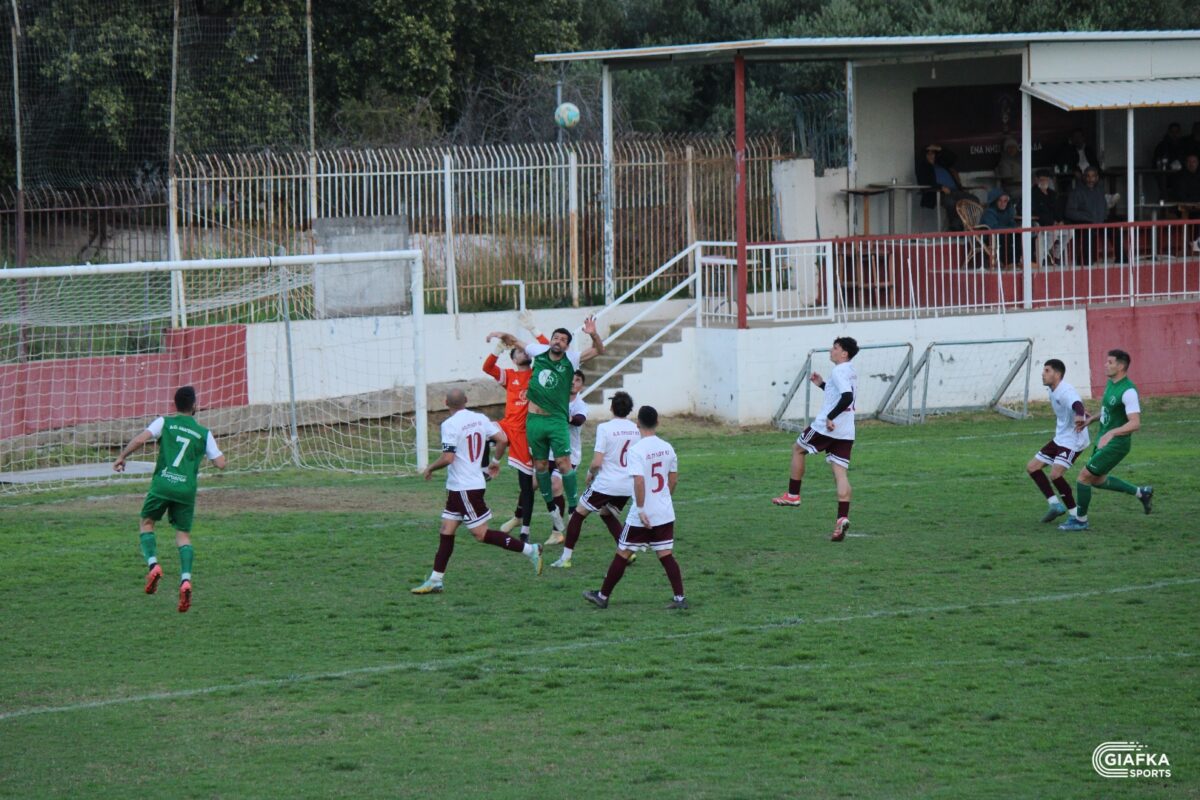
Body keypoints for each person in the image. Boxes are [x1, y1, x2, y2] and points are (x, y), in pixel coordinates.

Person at [411, 388, 543, 594]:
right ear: (466, 400)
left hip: (465, 488)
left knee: (481, 534)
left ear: (446, 403)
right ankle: (436, 580)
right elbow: (502, 439)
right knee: (446, 530)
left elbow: (448, 458)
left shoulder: (449, 424)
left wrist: (429, 468)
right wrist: (495, 462)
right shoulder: (480, 418)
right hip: (461, 486)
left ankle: (530, 550)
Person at [113, 385, 227, 613]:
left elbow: (140, 439)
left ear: (175, 404)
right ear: (194, 405)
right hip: (185, 490)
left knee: (147, 523)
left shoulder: (164, 422)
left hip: (163, 484)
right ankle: (185, 580)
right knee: (183, 535)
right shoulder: (203, 433)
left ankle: (153, 565)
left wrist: (122, 456)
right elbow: (221, 463)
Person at [495, 317, 605, 531]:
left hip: (556, 419)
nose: (558, 341)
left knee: (563, 463)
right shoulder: (538, 351)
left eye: (563, 340)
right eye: (556, 337)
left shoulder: (572, 359)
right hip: (535, 420)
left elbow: (599, 350)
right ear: (551, 340)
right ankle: (552, 509)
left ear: (567, 346)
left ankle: (573, 507)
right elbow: (515, 341)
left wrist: (592, 333)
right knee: (540, 466)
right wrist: (499, 335)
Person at [583, 405, 687, 610]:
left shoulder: (636, 450)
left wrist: (640, 509)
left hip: (643, 513)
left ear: (638, 423)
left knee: (623, 552)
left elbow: (639, 481)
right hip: (664, 512)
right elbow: (673, 480)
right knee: (665, 554)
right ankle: (680, 598)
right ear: (657, 422)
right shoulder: (668, 447)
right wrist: (663, 498)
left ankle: (602, 596)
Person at [771, 336, 859, 542]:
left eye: (835, 348)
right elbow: (840, 394)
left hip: (827, 427)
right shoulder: (851, 371)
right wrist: (822, 385)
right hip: (846, 430)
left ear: (844, 353)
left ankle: (793, 495)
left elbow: (846, 398)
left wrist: (830, 417)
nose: (831, 350)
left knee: (798, 449)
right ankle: (842, 518)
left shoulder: (838, 371)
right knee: (840, 473)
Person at [1059, 349, 1153, 531]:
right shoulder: (1111, 384)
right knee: (1096, 480)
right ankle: (1142, 493)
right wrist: (1092, 419)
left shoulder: (1128, 391)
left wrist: (1111, 434)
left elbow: (1135, 423)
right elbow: (1108, 410)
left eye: (1110, 362)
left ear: (1121, 366)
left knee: (1083, 477)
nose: (1105, 365)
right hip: (1104, 440)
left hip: (1116, 444)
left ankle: (1080, 521)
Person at [551, 390, 639, 569]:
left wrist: (590, 473)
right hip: (627, 485)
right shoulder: (636, 430)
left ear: (612, 407)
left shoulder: (605, 428)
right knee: (607, 513)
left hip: (606, 483)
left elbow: (597, 462)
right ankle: (627, 552)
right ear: (629, 409)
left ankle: (566, 558)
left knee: (578, 514)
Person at [484, 311, 549, 542]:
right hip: (506, 425)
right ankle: (487, 469)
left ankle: (525, 530)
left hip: (524, 433)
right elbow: (487, 367)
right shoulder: (509, 375)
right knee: (479, 431)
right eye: (519, 351)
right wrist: (498, 347)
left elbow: (547, 351)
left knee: (526, 485)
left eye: (525, 351)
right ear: (513, 358)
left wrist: (534, 329)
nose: (524, 352)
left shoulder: (537, 374)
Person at [1026, 359, 1089, 523]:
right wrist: (1084, 415)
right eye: (1043, 370)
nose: (1043, 374)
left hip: (1074, 440)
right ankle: (1055, 505)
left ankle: (1075, 515)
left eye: (1047, 370)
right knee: (1032, 467)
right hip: (1061, 437)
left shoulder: (1065, 391)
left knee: (1055, 475)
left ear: (1057, 374)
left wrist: (1080, 415)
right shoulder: (1052, 390)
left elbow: (1077, 404)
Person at [545, 369, 589, 545]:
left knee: (556, 485)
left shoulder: (580, 405)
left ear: (581, 386)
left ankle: (557, 532)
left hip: (569, 454)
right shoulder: (554, 399)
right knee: (530, 484)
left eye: (577, 380)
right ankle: (520, 520)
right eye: (570, 379)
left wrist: (564, 415)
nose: (573, 382)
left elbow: (579, 420)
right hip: (548, 452)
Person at [915, 144, 974, 230]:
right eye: (928, 154)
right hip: (940, 193)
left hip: (955, 191)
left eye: (933, 153)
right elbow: (925, 181)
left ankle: (970, 227)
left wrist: (939, 148)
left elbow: (953, 158)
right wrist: (941, 187)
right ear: (924, 156)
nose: (931, 156)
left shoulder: (941, 164)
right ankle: (956, 229)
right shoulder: (923, 168)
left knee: (973, 200)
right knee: (952, 203)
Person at [1064, 166, 1110, 264]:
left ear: (1097, 178)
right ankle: (1086, 262)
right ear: (1084, 177)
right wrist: (1087, 217)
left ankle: (1122, 258)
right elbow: (1069, 212)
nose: (1090, 179)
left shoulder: (1099, 191)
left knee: (1116, 229)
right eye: (1088, 176)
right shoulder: (1077, 192)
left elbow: (1104, 207)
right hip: (1083, 223)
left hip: (1099, 221)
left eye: (1093, 176)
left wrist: (1103, 218)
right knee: (1088, 231)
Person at [980, 187, 1018, 267]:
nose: (1003, 203)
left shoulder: (1007, 212)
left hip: (1002, 235)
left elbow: (1012, 224)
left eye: (1005, 201)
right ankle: (1008, 263)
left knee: (1019, 235)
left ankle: (1020, 261)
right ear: (995, 201)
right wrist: (1011, 229)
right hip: (989, 238)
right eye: (1000, 201)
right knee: (1006, 237)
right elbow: (994, 228)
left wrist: (1016, 228)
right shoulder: (989, 212)